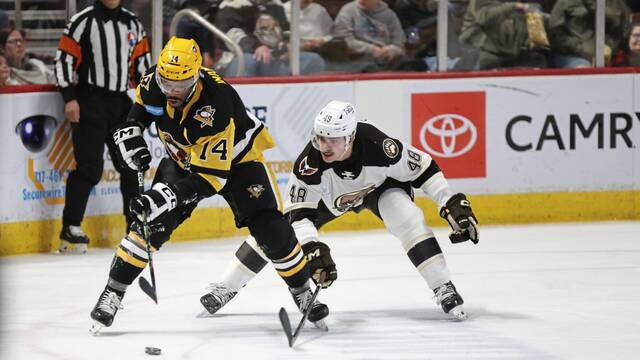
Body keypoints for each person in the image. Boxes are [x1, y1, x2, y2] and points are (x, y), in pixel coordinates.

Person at [89, 36, 317, 332]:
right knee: (149, 225)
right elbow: (144, 110)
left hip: (238, 164)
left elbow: (211, 178)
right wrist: (132, 130)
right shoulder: (156, 81)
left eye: (180, 85)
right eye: (166, 82)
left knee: (271, 229)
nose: (172, 91)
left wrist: (165, 196)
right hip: (184, 159)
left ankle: (302, 290)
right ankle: (113, 292)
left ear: (195, 77)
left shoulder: (216, 106)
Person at [199, 100, 479, 321]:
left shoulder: (380, 146)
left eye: (333, 139)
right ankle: (225, 287)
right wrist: (312, 250)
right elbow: (300, 215)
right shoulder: (309, 164)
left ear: (352, 136)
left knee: (407, 217)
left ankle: (443, 287)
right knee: (273, 232)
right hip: (330, 199)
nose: (324, 146)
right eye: (321, 138)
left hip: (380, 188)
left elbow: (424, 168)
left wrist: (449, 201)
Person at [54, 0, 151, 254]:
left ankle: (135, 227)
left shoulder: (133, 23)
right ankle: (71, 226)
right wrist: (69, 97)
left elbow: (142, 67)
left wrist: (147, 103)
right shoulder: (82, 21)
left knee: (131, 165)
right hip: (90, 100)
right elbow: (63, 60)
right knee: (89, 168)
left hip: (121, 102)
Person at [214, 0, 325, 76]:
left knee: (313, 59)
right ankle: (241, 106)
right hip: (242, 57)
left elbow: (286, 31)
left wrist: (287, 47)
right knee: (249, 61)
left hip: (276, 58)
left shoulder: (275, 4)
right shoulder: (231, 4)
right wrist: (257, 47)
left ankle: (303, 105)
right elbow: (228, 33)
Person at [459, 0, 550, 70]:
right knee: (488, 61)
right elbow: (484, 17)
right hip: (479, 48)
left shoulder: (528, 4)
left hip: (510, 52)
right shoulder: (480, 2)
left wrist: (535, 34)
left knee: (538, 60)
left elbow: (535, 39)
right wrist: (514, 6)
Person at [548, 0, 630, 68]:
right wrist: (580, 48)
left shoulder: (616, 3)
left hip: (611, 56)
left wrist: (612, 47)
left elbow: (624, 30)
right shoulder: (565, 2)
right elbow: (555, 35)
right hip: (574, 56)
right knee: (584, 69)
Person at [332, 0, 407, 73]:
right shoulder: (348, 11)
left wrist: (390, 50)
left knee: (409, 63)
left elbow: (399, 44)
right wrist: (372, 49)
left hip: (386, 61)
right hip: (357, 60)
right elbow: (343, 40)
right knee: (369, 67)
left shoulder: (390, 15)